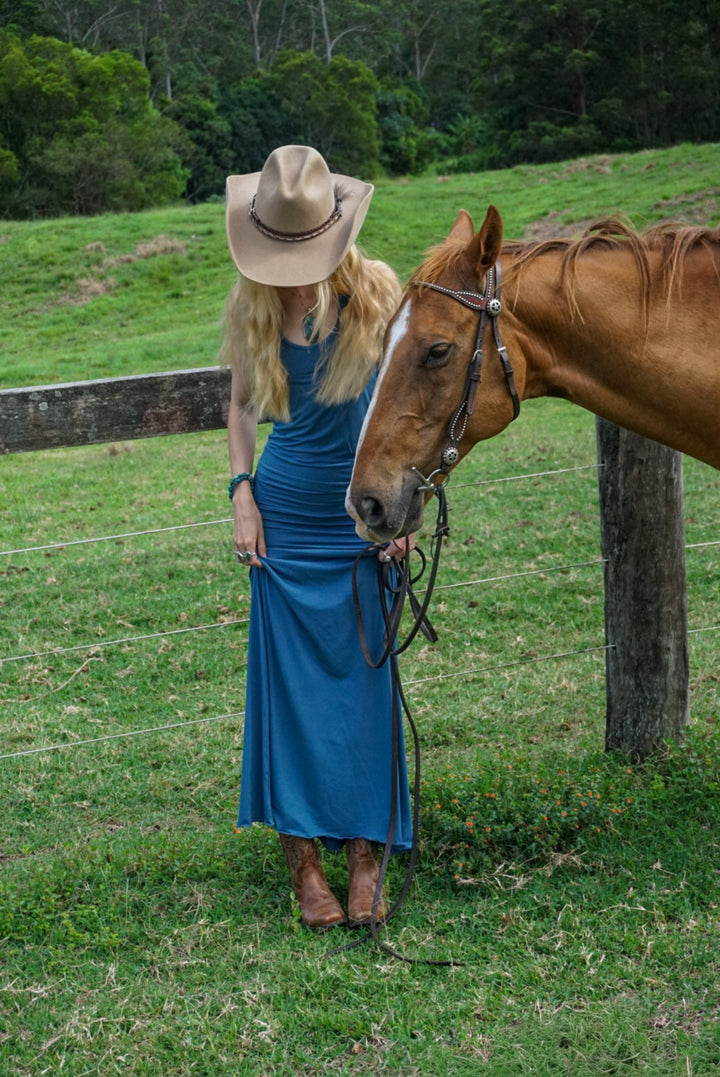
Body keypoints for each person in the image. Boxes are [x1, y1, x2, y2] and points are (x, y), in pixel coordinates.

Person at [221, 145, 414, 930]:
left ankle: (366, 857)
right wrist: (242, 495)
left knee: (366, 690)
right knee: (291, 695)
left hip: (362, 515)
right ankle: (304, 860)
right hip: (287, 518)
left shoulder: (380, 294)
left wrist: (399, 512)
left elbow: (416, 408)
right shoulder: (254, 307)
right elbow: (239, 409)